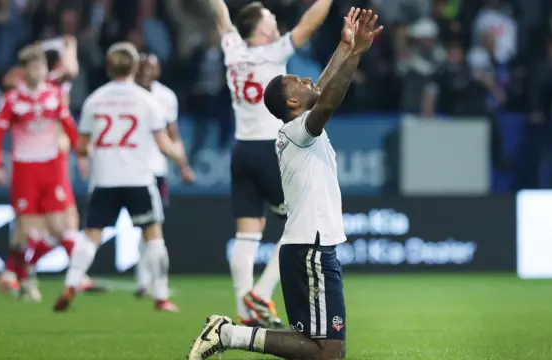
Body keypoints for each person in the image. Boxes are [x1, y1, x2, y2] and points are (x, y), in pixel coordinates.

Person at [188, 8, 382, 360]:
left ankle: (229, 332)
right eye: (300, 83)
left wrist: (343, 47)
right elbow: (329, 99)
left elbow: (321, 89)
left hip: (309, 246)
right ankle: (229, 333)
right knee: (328, 352)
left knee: (327, 351)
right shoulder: (299, 131)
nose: (308, 81)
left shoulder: (295, 125)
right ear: (293, 102)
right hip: (311, 248)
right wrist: (356, 56)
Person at [208, 0, 333, 329]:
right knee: (297, 222)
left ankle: (244, 308)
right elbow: (309, 25)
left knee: (246, 234)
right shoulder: (271, 52)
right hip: (269, 150)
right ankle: (262, 293)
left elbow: (222, 18)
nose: (275, 20)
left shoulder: (233, 50)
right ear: (262, 29)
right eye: (270, 17)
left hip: (242, 150)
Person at [53, 42, 195, 312]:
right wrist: (181, 161)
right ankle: (161, 297)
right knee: (154, 236)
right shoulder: (148, 101)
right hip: (139, 180)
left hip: (104, 179)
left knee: (90, 237)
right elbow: (164, 145)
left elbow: (81, 147)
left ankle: (71, 283)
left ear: (108, 67)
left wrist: (96, 147)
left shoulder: (95, 100)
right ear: (134, 67)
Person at [0, 37, 104, 297]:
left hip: (55, 159)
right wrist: (66, 44)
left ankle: (19, 270)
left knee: (61, 223)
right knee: (38, 225)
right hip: (35, 162)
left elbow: (70, 73)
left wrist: (79, 151)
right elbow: (68, 69)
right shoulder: (30, 90)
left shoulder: (54, 88)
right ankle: (21, 272)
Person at [133, 53, 184, 310]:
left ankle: (146, 280)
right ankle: (150, 284)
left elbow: (172, 134)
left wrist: (182, 164)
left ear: (159, 71)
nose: (146, 71)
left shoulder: (166, 97)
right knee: (149, 227)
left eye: (151, 67)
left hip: (156, 168)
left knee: (152, 226)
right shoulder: (127, 94)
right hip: (130, 169)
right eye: (142, 66)